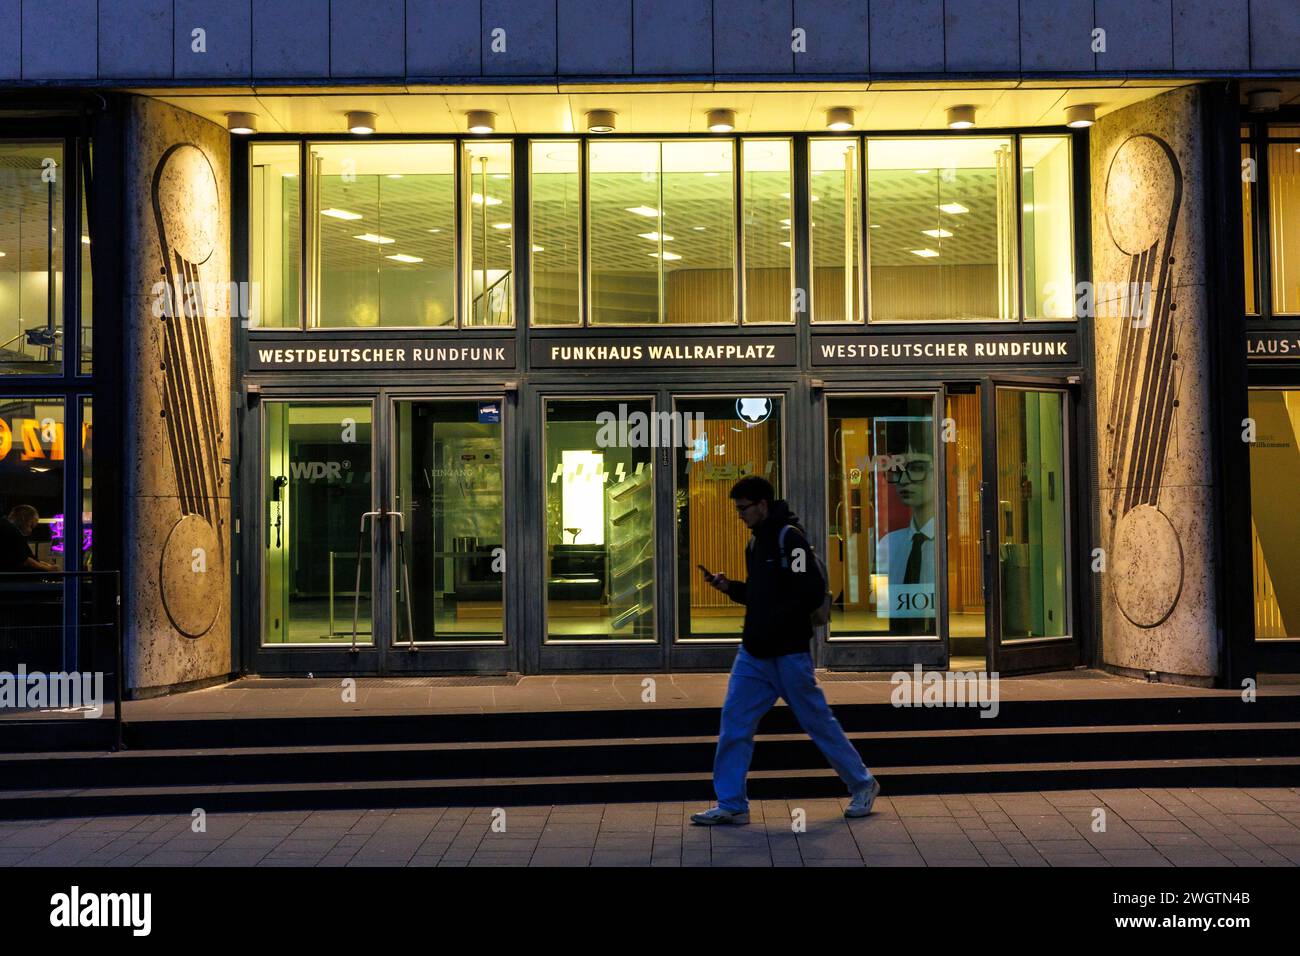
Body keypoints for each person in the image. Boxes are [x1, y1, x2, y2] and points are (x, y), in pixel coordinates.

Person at [690, 475, 879, 825]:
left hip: (789, 653)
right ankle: (732, 803)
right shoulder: (755, 544)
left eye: (744, 508)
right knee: (734, 724)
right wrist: (729, 587)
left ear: (763, 504)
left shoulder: (788, 540)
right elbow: (760, 595)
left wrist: (775, 617)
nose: (740, 515)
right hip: (754, 655)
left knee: (818, 722)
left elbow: (809, 593)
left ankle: (863, 784)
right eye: (737, 509)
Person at [876, 446, 936, 632]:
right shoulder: (889, 543)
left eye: (917, 469)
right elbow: (885, 601)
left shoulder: (946, 545)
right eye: (897, 470)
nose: (903, 481)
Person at [0, 505, 60, 573]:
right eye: (31, 526)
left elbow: (30, 558)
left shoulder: (8, 527)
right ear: (23, 519)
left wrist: (48, 566)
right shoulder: (11, 531)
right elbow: (26, 560)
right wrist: (49, 569)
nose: (30, 531)